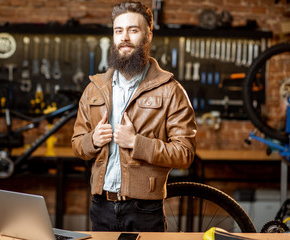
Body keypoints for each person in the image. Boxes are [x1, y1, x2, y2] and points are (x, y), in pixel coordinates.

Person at [71, 1, 197, 232]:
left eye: (133, 30)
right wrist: (93, 140)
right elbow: (78, 144)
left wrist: (136, 143)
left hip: (145, 209)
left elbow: (185, 153)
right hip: (101, 205)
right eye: (119, 31)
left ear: (148, 36)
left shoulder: (170, 90)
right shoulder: (95, 88)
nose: (124, 37)